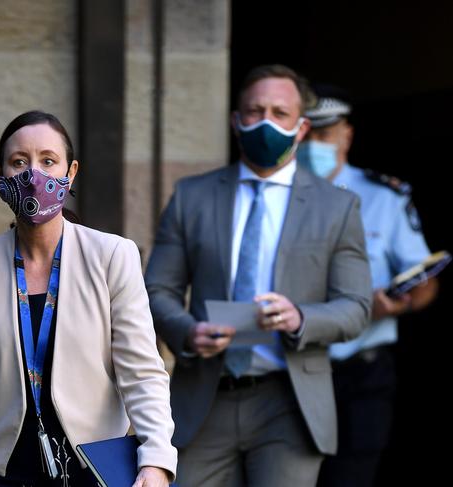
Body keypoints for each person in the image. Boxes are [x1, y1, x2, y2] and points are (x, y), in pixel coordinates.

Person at [144, 64, 372, 487]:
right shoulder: (191, 197)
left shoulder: (337, 207)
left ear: (301, 127)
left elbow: (356, 308)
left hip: (289, 400)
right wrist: (188, 333)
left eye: (280, 113)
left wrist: (300, 318)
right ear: (236, 120)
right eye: (255, 110)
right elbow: (156, 289)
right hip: (203, 396)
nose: (266, 121)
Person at [0, 110, 177, 487]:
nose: (34, 175)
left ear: (71, 172)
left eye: (48, 160)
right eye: (19, 162)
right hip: (0, 474)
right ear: (0, 174)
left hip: (91, 470)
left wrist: (157, 460)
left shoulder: (112, 256)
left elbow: (142, 373)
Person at [297, 85, 439, 487]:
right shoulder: (276, 194)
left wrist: (401, 303)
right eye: (307, 133)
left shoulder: (384, 196)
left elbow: (425, 279)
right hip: (296, 367)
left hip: (363, 368)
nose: (314, 144)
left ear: (347, 135)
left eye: (325, 134)